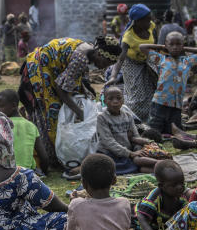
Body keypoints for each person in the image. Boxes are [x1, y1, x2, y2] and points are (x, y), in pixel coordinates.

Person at [19, 36, 121, 164]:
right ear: (100, 54)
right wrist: (79, 112)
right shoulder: (81, 59)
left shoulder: (89, 50)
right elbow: (61, 89)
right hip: (41, 67)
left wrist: (86, 92)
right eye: (105, 64)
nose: (103, 68)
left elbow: (76, 77)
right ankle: (49, 156)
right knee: (51, 111)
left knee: (67, 103)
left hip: (51, 66)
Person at [139, 32, 197, 135]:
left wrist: (185, 49)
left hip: (177, 103)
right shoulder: (161, 59)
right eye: (171, 44)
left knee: (173, 130)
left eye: (178, 44)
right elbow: (142, 47)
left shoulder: (187, 61)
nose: (175, 47)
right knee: (154, 129)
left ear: (182, 45)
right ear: (166, 45)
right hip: (160, 102)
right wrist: (163, 46)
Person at [108, 3, 158, 122]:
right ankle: (132, 120)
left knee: (152, 89)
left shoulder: (151, 26)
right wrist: (113, 76)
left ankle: (149, 120)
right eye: (147, 20)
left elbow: (157, 44)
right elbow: (120, 59)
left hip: (147, 60)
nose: (150, 22)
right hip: (132, 63)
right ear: (138, 21)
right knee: (137, 96)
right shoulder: (128, 37)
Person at [97, 86, 157, 173]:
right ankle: (161, 164)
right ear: (104, 101)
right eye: (111, 99)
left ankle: (161, 165)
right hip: (110, 153)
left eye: (118, 98)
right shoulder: (102, 118)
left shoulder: (128, 116)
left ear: (123, 100)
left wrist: (138, 151)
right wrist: (130, 154)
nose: (115, 101)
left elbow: (135, 136)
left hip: (128, 153)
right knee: (111, 168)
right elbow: (108, 141)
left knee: (140, 163)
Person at [0, 89, 48, 174]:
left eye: (1, 106)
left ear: (13, 106)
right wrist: (44, 172)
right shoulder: (31, 126)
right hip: (26, 173)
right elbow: (44, 157)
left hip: (3, 173)